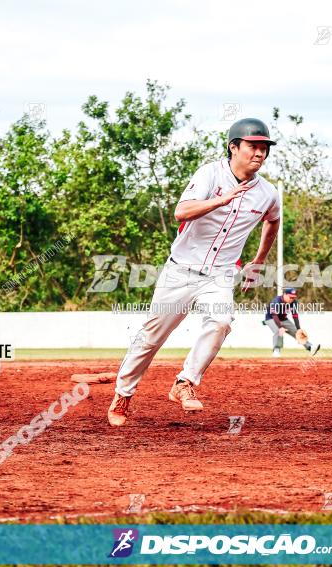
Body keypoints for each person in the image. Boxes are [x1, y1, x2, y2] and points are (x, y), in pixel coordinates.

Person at [108, 118, 281, 426]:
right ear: (233, 147)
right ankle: (123, 394)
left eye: (264, 147)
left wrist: (258, 261)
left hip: (220, 274)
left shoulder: (267, 193)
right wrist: (220, 200)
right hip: (181, 270)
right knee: (150, 338)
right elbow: (181, 211)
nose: (259, 153)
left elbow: (273, 221)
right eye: (253, 146)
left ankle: (184, 382)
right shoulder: (210, 174)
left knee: (221, 321)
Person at [264, 287, 320, 357]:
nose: (292, 299)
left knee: (297, 332)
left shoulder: (293, 302)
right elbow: (275, 316)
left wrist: (298, 328)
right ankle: (276, 350)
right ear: (284, 294)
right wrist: (280, 327)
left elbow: (295, 315)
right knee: (278, 331)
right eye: (290, 297)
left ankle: (310, 347)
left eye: (293, 297)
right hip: (271, 318)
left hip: (283, 319)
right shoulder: (276, 301)